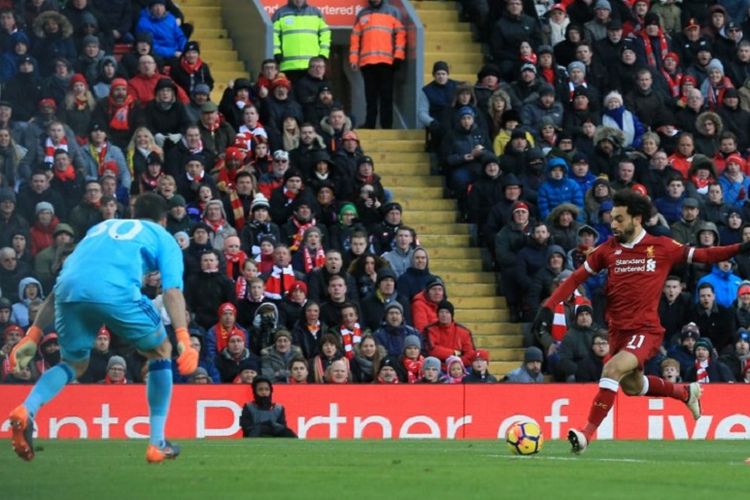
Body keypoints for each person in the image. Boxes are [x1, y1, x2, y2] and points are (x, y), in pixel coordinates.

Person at [534, 189, 747, 453]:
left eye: (619, 219)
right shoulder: (606, 251)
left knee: (611, 370)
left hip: (646, 329)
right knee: (633, 387)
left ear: (637, 219)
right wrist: (548, 306)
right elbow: (576, 278)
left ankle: (586, 434)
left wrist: (740, 248)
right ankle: (685, 393)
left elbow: (704, 255)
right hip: (618, 331)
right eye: (612, 218)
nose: (613, 224)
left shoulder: (662, 247)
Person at [7, 192, 198, 463]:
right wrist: (183, 336)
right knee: (161, 350)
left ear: (133, 214)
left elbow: (61, 285)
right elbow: (172, 292)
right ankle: (157, 443)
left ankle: (27, 409)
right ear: (164, 219)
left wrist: (33, 334)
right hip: (116, 292)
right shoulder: (162, 236)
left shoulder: (99, 229)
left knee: (74, 364)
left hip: (69, 293)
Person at [348, 0, 405, 129]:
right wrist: (353, 59)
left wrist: (398, 56)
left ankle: (386, 125)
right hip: (367, 63)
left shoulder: (392, 11)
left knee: (386, 96)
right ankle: (370, 123)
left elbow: (401, 35)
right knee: (370, 97)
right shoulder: (362, 14)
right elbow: (355, 38)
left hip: (386, 63)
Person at [271, 0, 330, 81]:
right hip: (288, 66)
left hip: (312, 67)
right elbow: (273, 34)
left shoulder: (316, 13)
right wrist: (276, 53)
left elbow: (325, 34)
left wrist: (323, 54)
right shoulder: (280, 13)